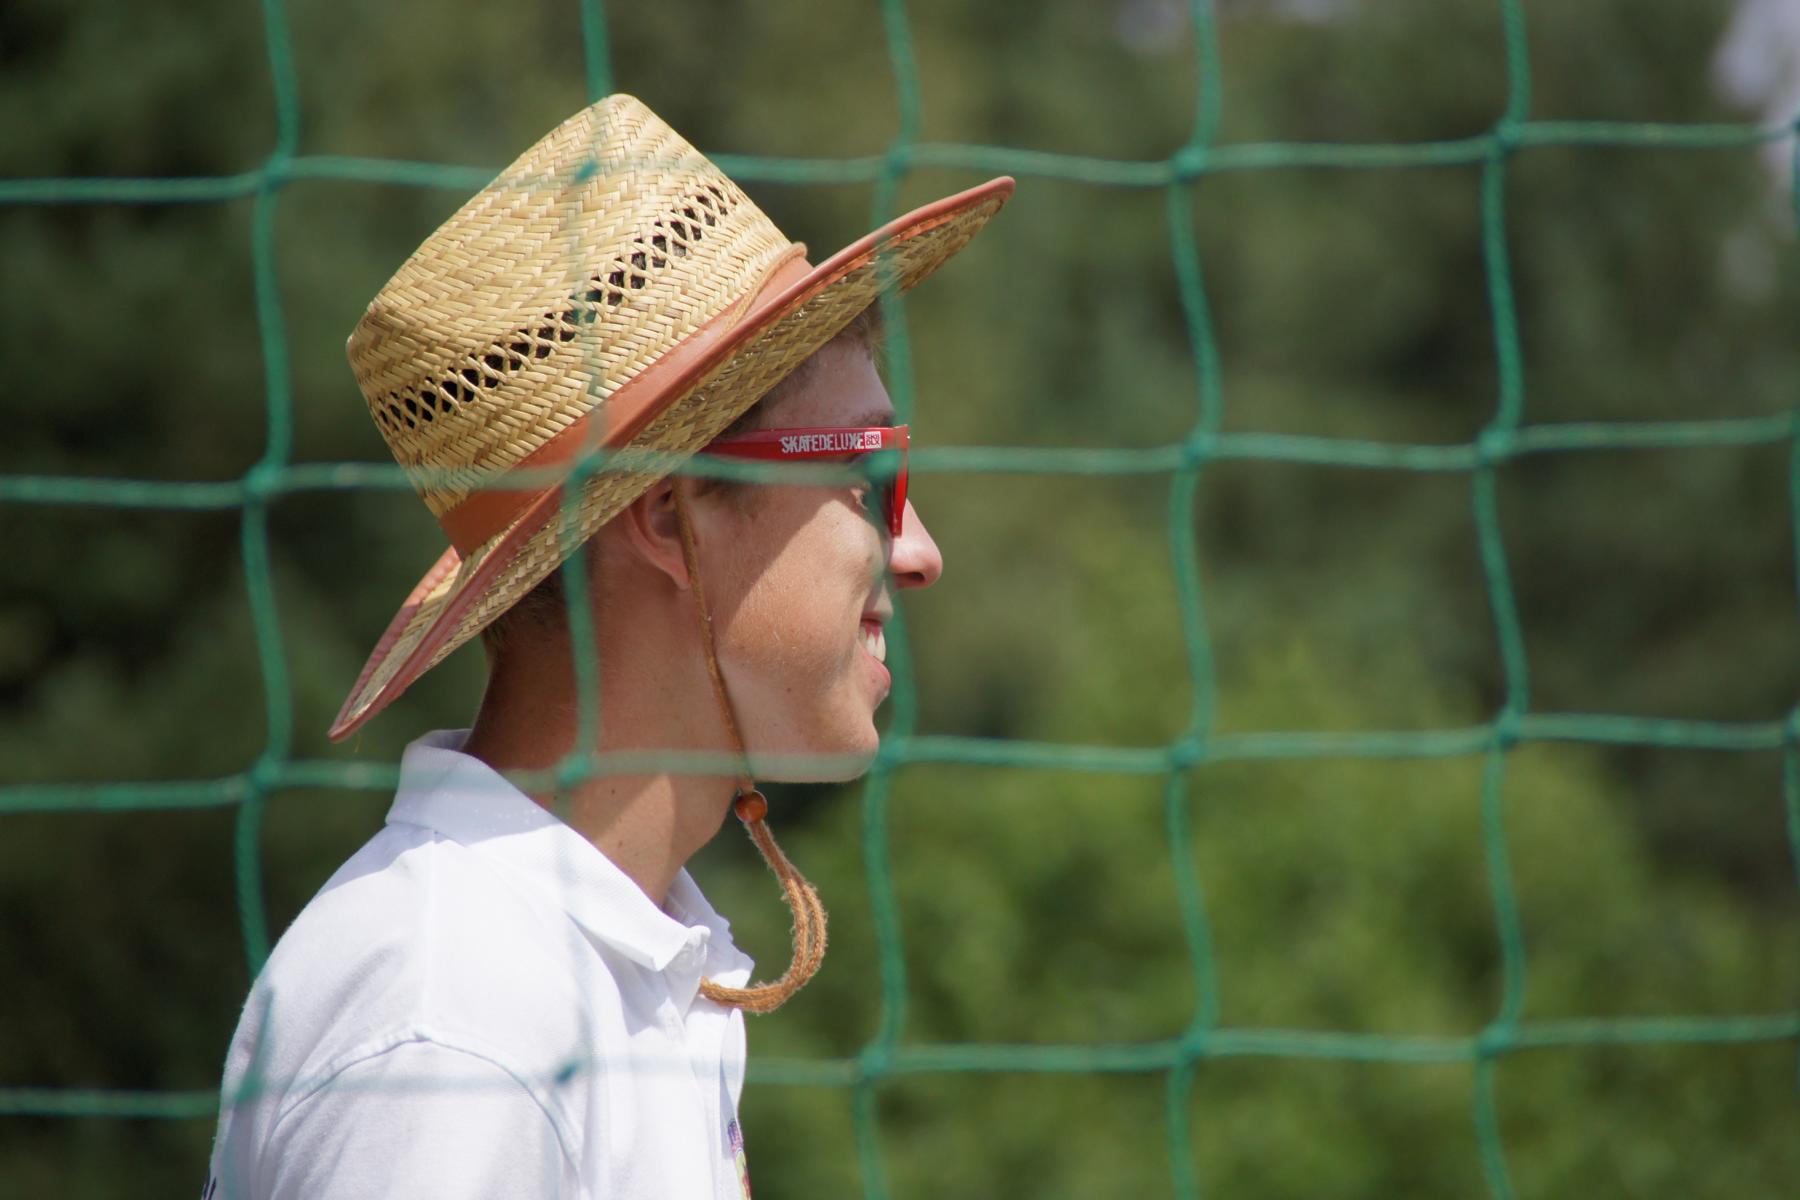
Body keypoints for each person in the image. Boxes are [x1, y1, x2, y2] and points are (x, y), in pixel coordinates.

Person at [204, 94, 1009, 1199]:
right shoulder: (456, 1025)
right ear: (671, 515)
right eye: (867, 472)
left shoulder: (598, 963)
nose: (918, 552)